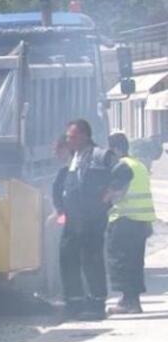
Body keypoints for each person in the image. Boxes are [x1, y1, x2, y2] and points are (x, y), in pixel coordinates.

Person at [54, 119, 131, 320]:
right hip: (73, 219)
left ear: (84, 136)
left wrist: (109, 194)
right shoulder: (74, 157)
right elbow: (66, 183)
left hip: (92, 218)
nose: (68, 140)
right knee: (67, 258)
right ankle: (74, 303)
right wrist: (60, 208)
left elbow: (124, 172)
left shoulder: (101, 155)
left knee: (91, 258)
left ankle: (96, 304)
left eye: (72, 136)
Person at [105, 132, 155, 314]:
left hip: (124, 220)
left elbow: (116, 194)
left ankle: (128, 302)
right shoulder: (139, 165)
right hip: (141, 222)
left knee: (121, 261)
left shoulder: (120, 167)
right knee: (135, 262)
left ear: (115, 149)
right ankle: (132, 301)